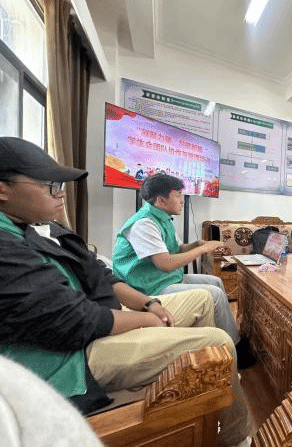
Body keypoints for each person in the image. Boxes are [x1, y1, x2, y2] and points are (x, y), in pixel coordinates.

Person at [0, 137, 251, 447]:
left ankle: (202, 398)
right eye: (51, 186)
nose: (62, 193)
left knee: (205, 295)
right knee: (216, 342)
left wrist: (148, 305)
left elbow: (100, 274)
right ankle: (234, 435)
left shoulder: (46, 227)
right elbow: (75, 319)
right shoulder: (7, 246)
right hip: (74, 353)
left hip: (108, 312)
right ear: (3, 189)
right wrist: (146, 320)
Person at [112, 173, 255, 368]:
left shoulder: (162, 218)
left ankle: (227, 335)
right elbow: (165, 263)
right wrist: (202, 250)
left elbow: (177, 249)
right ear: (161, 200)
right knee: (213, 294)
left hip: (160, 279)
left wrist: (197, 243)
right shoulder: (144, 224)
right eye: (178, 195)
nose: (183, 200)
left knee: (215, 282)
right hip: (146, 287)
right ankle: (235, 350)